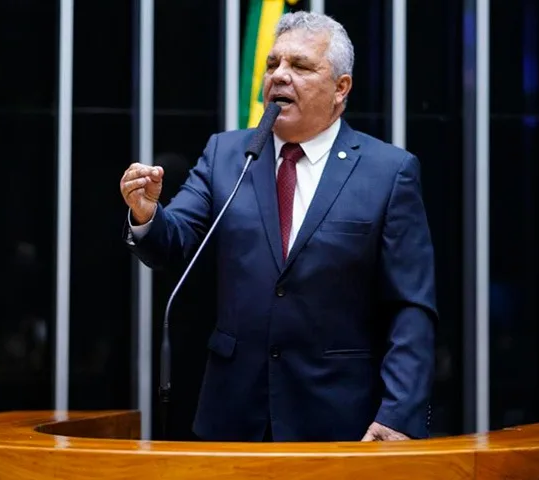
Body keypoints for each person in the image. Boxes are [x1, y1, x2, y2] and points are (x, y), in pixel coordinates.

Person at [120, 11, 437, 442]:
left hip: (339, 417)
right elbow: (174, 243)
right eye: (273, 65)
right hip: (233, 416)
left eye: (300, 66)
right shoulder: (226, 154)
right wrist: (146, 214)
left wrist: (399, 414)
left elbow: (410, 307)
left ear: (341, 88)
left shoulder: (388, 171)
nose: (280, 76)